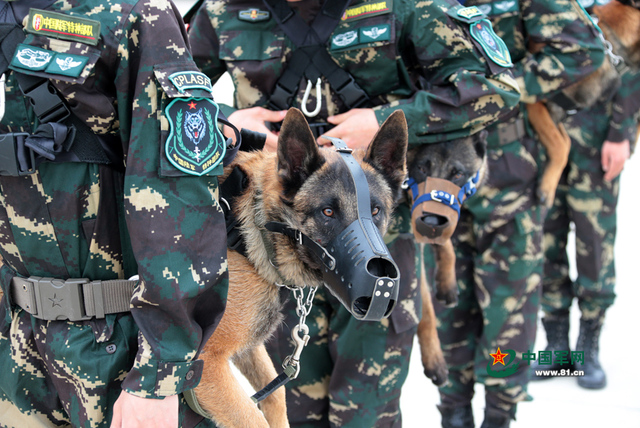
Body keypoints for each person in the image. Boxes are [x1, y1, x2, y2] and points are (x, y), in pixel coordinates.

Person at [187, 0, 520, 426]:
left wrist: (387, 120)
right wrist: (226, 121)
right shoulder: (222, 9)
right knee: (291, 410)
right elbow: (155, 92)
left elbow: (497, 86)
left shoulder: (408, 5)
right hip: (270, 254)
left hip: (374, 245)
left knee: (368, 415)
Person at [0, 1, 230, 427]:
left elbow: (179, 202)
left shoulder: (134, 13)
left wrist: (158, 378)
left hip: (110, 357)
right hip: (12, 346)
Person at [426, 0, 606, 427]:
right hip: (436, 187)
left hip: (511, 186)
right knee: (449, 316)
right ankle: (453, 414)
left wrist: (501, 85)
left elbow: (583, 50)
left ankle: (500, 416)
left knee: (511, 325)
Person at [530, 0, 639, 391]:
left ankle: (588, 346)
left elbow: (634, 63)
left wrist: (622, 133)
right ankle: (558, 350)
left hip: (599, 139)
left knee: (595, 244)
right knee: (546, 237)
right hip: (547, 136)